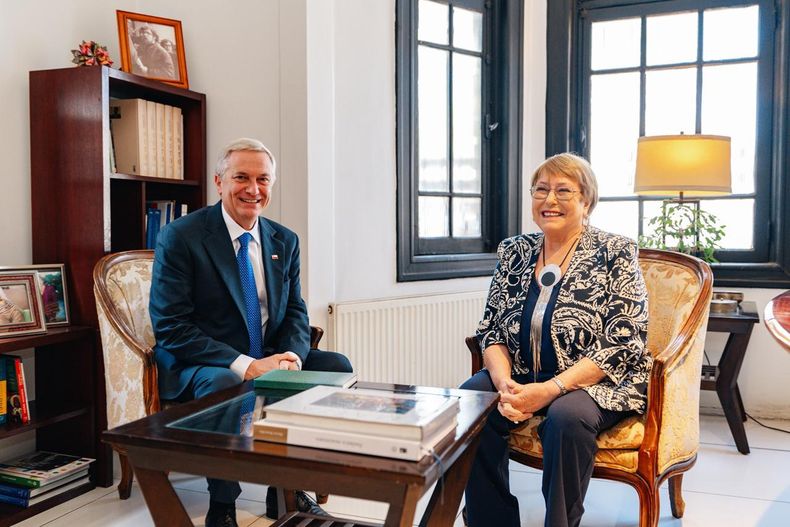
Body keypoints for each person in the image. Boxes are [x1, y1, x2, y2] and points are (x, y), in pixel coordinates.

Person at [150, 138, 353, 527]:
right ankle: (223, 504)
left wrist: (292, 357)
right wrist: (247, 365)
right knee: (228, 379)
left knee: (336, 366)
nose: (253, 189)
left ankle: (290, 492)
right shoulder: (182, 236)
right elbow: (171, 326)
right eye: (241, 177)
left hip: (270, 351)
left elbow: (295, 310)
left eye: (263, 179)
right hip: (203, 361)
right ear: (219, 181)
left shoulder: (284, 240)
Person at [462, 153, 651, 527]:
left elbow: (622, 342)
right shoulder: (514, 251)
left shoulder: (615, 251)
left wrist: (551, 390)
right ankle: (491, 520)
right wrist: (503, 384)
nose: (550, 200)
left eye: (563, 191)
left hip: (594, 382)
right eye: (541, 190)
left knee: (567, 417)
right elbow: (492, 330)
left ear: (587, 202)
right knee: (472, 401)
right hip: (521, 372)